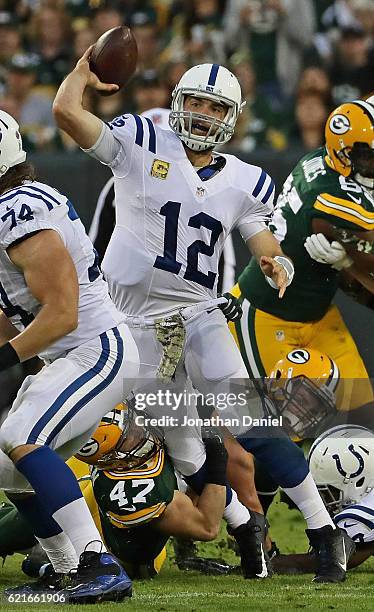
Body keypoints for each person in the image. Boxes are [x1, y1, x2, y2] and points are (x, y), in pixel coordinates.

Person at [53, 53, 298, 580]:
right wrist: (81, 76)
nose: (205, 114)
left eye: (216, 106)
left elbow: (263, 240)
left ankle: (256, 527)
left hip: (187, 322)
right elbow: (69, 116)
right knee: (86, 433)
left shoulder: (245, 179)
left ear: (233, 116)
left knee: (195, 443)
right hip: (119, 325)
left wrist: (274, 259)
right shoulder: (141, 139)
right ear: (177, 102)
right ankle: (67, 539)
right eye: (197, 102)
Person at [0, 110, 140, 602]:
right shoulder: (11, 208)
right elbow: (14, 312)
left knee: (20, 435)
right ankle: (65, 566)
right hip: (71, 355)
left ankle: (97, 562)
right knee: (9, 469)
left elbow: (62, 313)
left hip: (95, 348)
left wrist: (4, 360)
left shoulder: (17, 210)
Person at [229, 98, 374, 410]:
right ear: (347, 155)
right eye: (369, 156)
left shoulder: (327, 159)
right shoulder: (333, 198)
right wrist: (349, 262)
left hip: (318, 314)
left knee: (362, 413)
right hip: (266, 315)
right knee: (288, 429)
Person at [0, 406, 229, 584]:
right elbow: (206, 527)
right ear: (115, 453)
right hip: (110, 547)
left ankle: (45, 561)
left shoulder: (135, 459)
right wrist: (218, 465)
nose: (138, 430)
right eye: (128, 434)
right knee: (37, 501)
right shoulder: (131, 485)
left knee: (55, 496)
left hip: (123, 552)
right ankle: (45, 562)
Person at [273, 424, 374, 574]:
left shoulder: (360, 516)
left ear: (359, 482)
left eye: (330, 492)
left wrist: (270, 562)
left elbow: (331, 559)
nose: (325, 500)